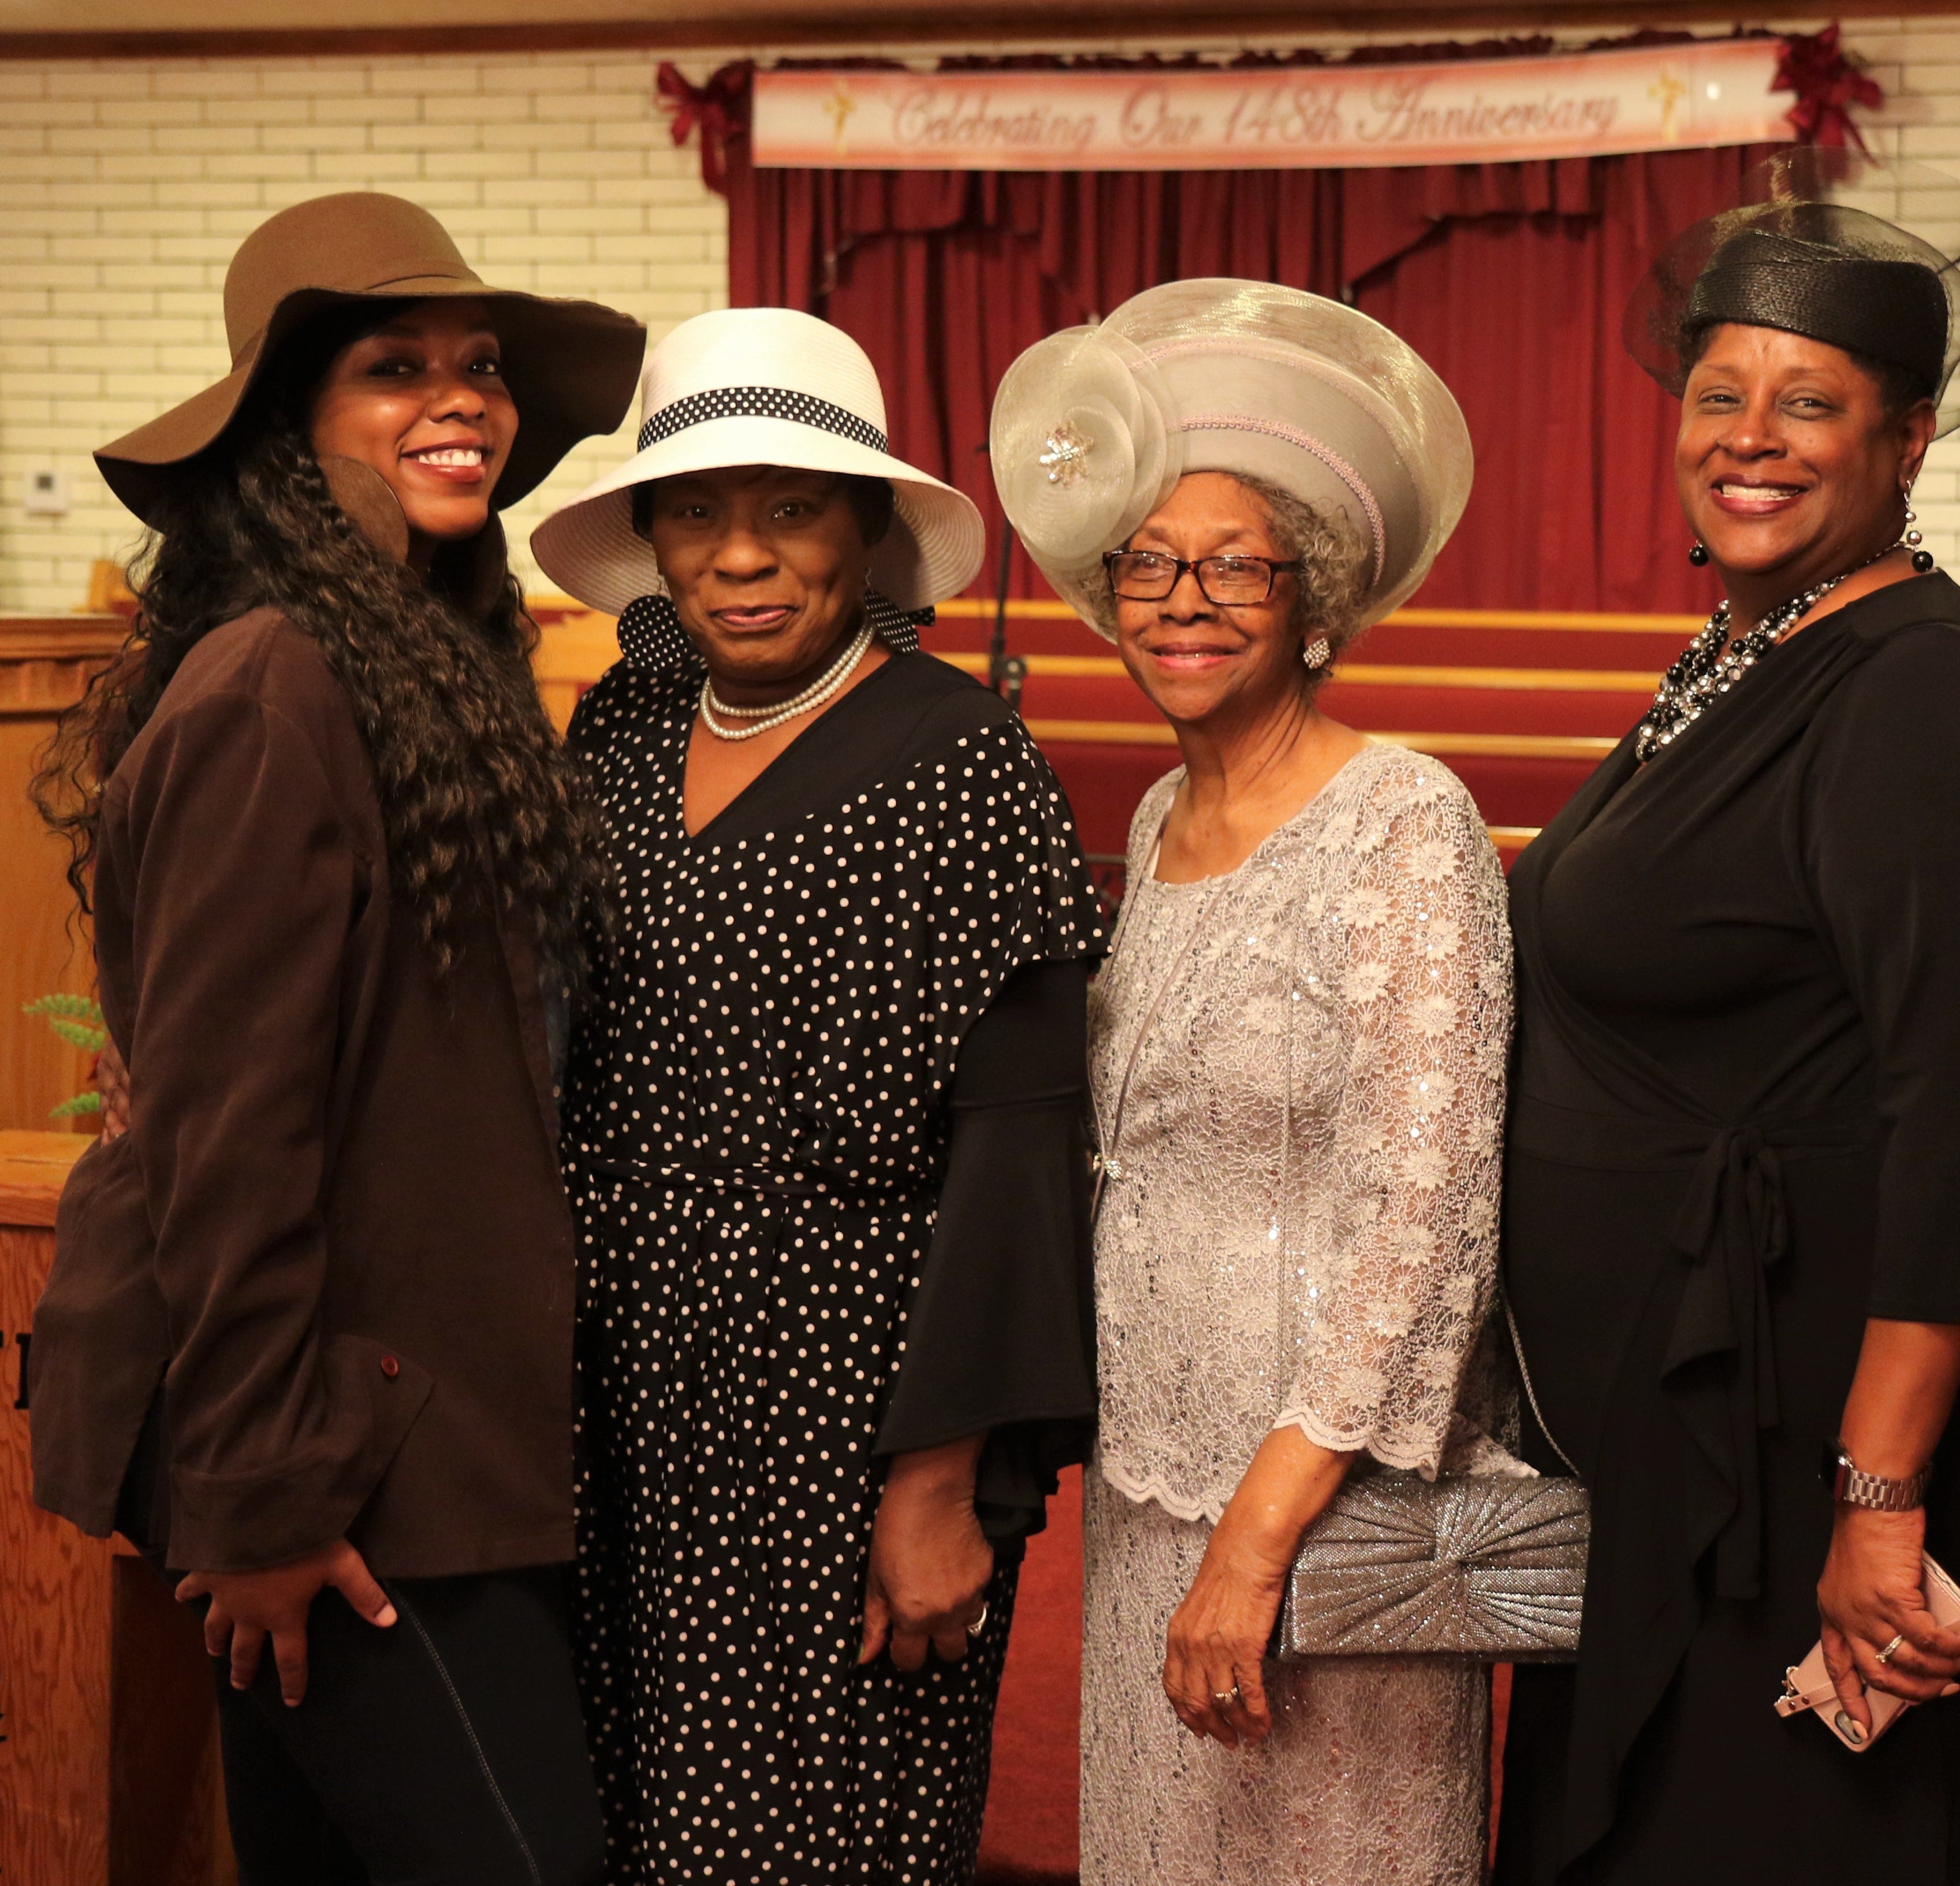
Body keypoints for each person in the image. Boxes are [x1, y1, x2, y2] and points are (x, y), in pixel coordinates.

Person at [1488, 152, 1960, 1884]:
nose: (1752, 435)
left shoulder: (1928, 693)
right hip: (1722, 1411)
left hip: (1843, 1419)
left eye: (1812, 401)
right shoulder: (1754, 646)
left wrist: (1879, 1501)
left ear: (1909, 435)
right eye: (1720, 395)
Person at [27, 191, 643, 1883]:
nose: (461, 398)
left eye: (480, 366)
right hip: (347, 1461)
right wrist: (270, 1495)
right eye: (394, 367)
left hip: (414, 1430)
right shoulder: (273, 685)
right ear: (288, 431)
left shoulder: (427, 669)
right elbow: (229, 1144)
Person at [527, 306, 1103, 1885]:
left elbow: (1016, 1156)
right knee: (629, 1824)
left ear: (868, 529)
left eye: (791, 506)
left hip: (848, 1406)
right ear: (649, 535)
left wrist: (938, 1480)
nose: (741, 555)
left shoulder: (966, 761)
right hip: (622, 1390)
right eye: (699, 511)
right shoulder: (625, 731)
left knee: (813, 1837)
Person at [989, 280, 1511, 1885]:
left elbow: (1427, 1217)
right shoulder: (1154, 822)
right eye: (1146, 561)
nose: (1182, 598)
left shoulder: (1403, 820)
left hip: (1326, 1504)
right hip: (1156, 1486)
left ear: (1314, 595)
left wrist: (1262, 1535)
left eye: (1232, 564)